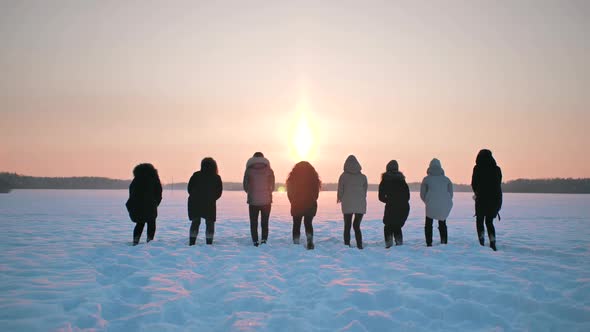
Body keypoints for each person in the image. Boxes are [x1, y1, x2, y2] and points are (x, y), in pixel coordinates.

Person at [471, 149, 502, 251]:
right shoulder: (497, 169)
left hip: (482, 199)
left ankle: (481, 241)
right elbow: (498, 183)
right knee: (489, 221)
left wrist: (477, 192)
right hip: (495, 199)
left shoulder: (477, 168)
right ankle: (492, 242)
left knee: (480, 220)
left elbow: (474, 183)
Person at [187, 157, 223, 245]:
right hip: (209, 203)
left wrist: (195, 196)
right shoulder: (216, 177)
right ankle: (209, 243)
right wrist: (212, 198)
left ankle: (192, 242)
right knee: (210, 223)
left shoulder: (196, 175)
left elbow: (189, 189)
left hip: (195, 202)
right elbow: (219, 192)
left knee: (195, 222)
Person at [243, 152, 275, 246]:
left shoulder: (249, 170)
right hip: (266, 201)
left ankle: (255, 241)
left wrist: (250, 192)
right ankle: (264, 240)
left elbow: (245, 186)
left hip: (253, 201)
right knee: (265, 222)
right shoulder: (269, 170)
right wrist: (268, 192)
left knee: (253, 222)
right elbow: (272, 186)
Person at [125, 163, 162, 245]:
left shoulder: (136, 179)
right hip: (150, 205)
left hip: (138, 205)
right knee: (151, 223)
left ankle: (135, 241)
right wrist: (156, 203)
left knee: (140, 223)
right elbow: (159, 192)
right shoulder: (154, 178)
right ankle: (149, 241)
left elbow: (131, 192)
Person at [286, 161, 321, 250]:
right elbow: (316, 194)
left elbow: (290, 193)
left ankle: (296, 242)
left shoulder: (292, 179)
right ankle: (310, 241)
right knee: (308, 223)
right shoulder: (313, 179)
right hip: (310, 205)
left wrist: (293, 201)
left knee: (296, 224)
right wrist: (312, 200)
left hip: (296, 205)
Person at [420, 158, 454, 246]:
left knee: (428, 224)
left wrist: (428, 201)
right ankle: (444, 241)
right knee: (442, 222)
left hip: (430, 204)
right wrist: (444, 201)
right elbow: (450, 194)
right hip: (443, 205)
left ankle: (429, 243)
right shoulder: (446, 180)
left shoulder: (426, 179)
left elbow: (422, 194)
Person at [337, 155, 368, 249]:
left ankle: (347, 245)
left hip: (347, 204)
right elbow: (364, 191)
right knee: (356, 225)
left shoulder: (343, 176)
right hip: (360, 204)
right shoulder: (363, 177)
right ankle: (359, 245)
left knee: (347, 225)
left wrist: (339, 198)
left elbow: (340, 190)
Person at [378, 160, 410, 248]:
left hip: (391, 207)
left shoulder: (385, 180)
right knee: (397, 225)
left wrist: (389, 200)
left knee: (388, 225)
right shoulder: (402, 180)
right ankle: (399, 244)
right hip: (402, 207)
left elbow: (380, 197)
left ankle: (388, 245)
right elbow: (407, 196)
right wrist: (400, 201)